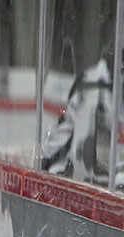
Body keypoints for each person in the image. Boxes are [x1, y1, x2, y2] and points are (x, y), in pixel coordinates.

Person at [42, 54, 124, 188]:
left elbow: (62, 132)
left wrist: (47, 160)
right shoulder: (94, 86)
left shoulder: (86, 82)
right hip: (108, 182)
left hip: (80, 178)